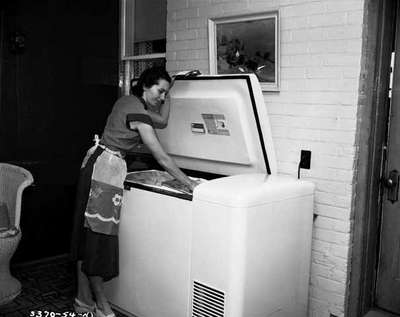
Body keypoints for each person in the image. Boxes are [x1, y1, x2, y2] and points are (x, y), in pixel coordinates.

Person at [70, 66, 199, 317]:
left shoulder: (129, 101)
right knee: (98, 238)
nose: (162, 98)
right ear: (145, 86)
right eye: (160, 91)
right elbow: (160, 155)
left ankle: (82, 301)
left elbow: (162, 120)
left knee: (88, 236)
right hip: (104, 170)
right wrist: (189, 182)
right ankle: (100, 304)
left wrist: (172, 89)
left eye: (165, 94)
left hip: (96, 162)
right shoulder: (136, 111)